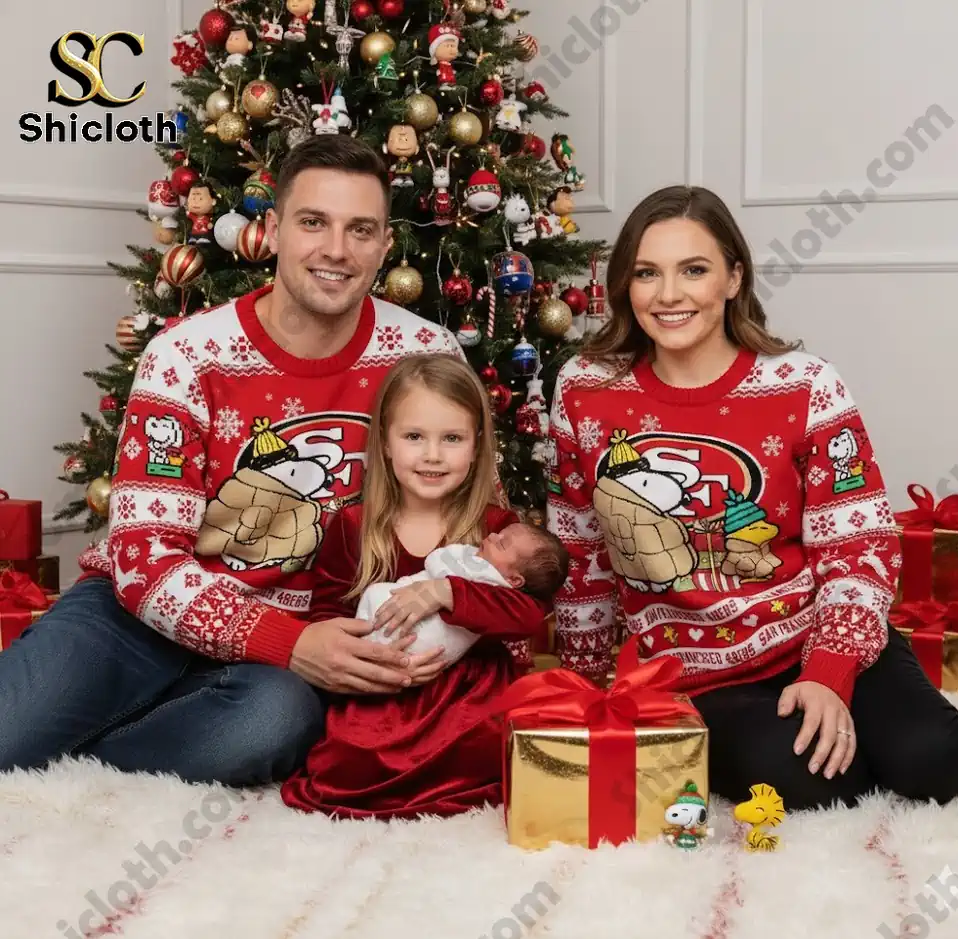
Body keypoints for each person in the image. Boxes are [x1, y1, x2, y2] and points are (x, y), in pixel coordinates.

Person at [0, 135, 489, 787]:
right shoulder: (187, 355)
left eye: (360, 229)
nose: (337, 250)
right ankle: (92, 721)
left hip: (294, 644)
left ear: (382, 246)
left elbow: (464, 522)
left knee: (268, 726)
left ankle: (91, 766)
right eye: (314, 222)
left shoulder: (425, 354)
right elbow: (144, 561)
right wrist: (285, 641)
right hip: (137, 616)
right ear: (274, 229)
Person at [546, 184, 958, 811]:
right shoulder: (585, 390)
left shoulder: (803, 384)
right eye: (647, 273)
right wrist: (585, 683)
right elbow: (581, 548)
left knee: (932, 755)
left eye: (694, 270)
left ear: (733, 278)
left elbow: (859, 545)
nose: (668, 295)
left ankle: (894, 739)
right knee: (807, 781)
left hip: (819, 633)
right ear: (626, 284)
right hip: (693, 672)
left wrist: (830, 671)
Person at [280, 354, 551, 819]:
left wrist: (448, 593)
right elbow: (327, 617)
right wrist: (368, 666)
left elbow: (527, 615)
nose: (432, 455)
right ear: (385, 443)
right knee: (347, 760)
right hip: (383, 685)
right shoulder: (353, 525)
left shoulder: (495, 529)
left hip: (469, 693)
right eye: (413, 437)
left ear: (476, 445)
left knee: (495, 744)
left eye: (451, 439)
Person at [359, 521, 568, 666]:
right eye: (499, 533)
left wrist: (447, 590)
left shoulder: (492, 578)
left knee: (377, 598)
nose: (492, 536)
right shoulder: (352, 520)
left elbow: (529, 615)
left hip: (433, 653)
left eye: (502, 543)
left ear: (514, 580)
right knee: (375, 595)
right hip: (384, 636)